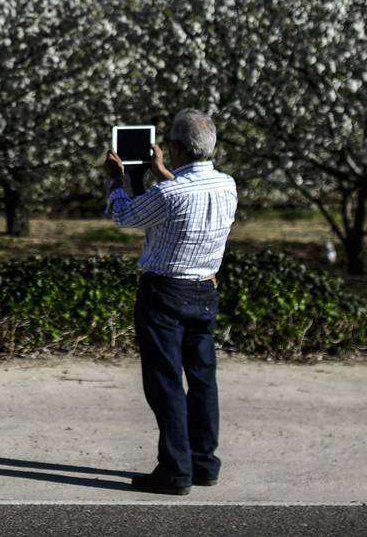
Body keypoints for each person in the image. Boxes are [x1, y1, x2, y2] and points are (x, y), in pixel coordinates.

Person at [104, 109, 237, 496]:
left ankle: (174, 469)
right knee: (202, 379)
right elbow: (188, 198)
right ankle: (203, 463)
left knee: (165, 382)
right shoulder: (228, 185)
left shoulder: (169, 192)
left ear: (175, 148)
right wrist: (163, 171)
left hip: (164, 292)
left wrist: (121, 178)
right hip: (204, 289)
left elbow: (124, 215)